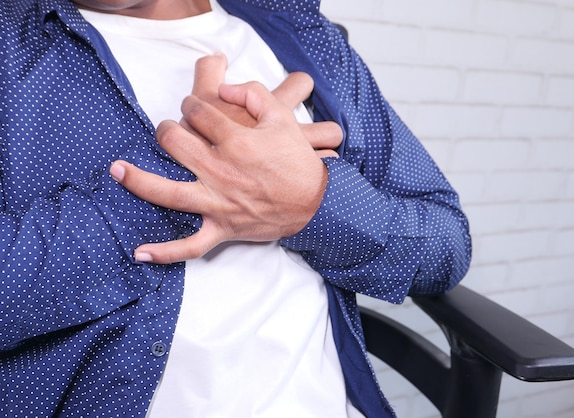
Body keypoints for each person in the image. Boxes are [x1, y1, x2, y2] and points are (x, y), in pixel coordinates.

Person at [0, 0, 472, 416]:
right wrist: (196, 168)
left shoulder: (304, 40)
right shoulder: (11, 40)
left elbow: (446, 244)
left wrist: (312, 205)